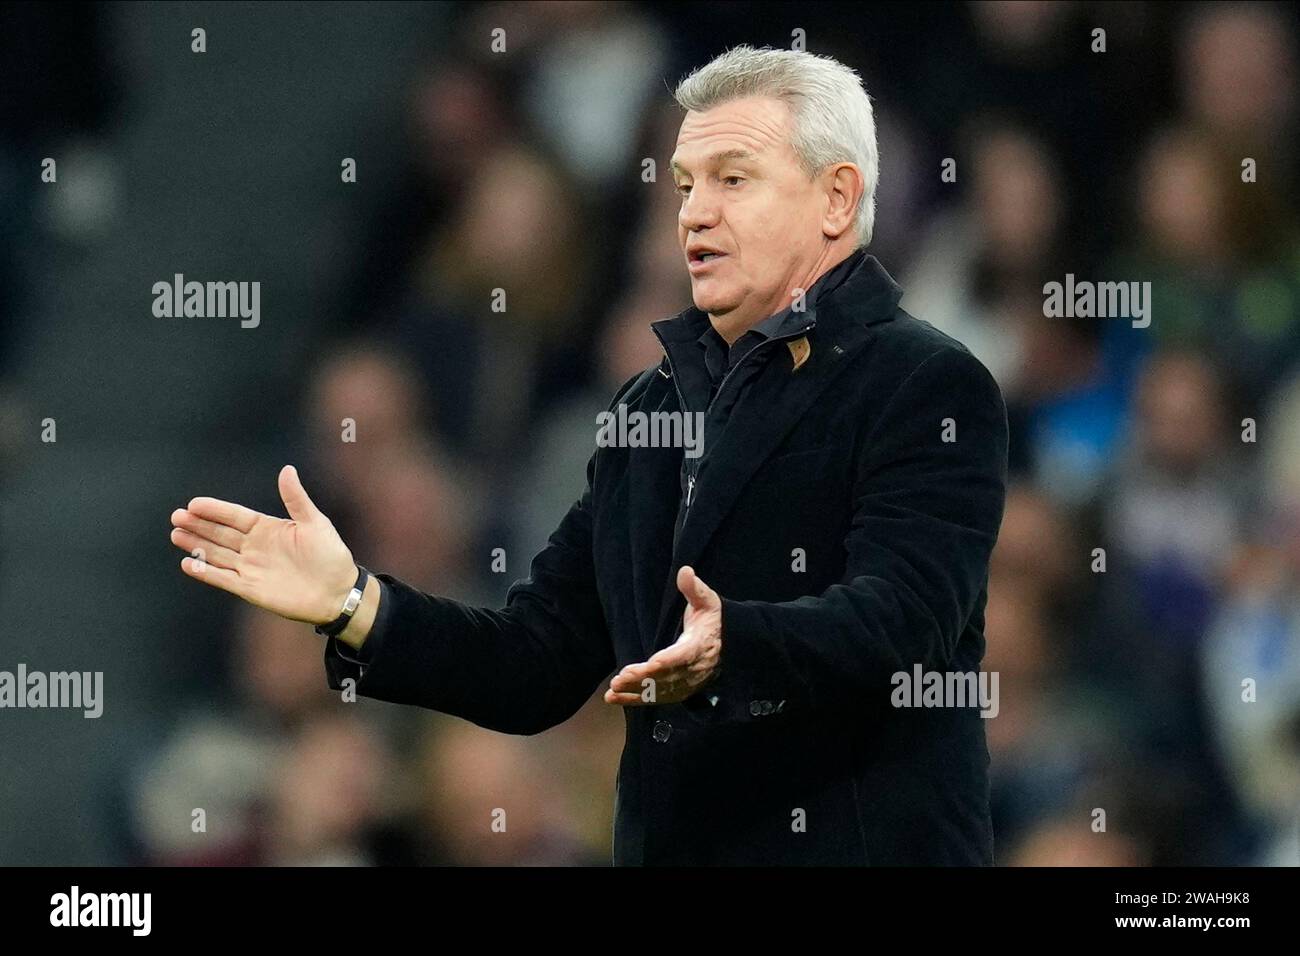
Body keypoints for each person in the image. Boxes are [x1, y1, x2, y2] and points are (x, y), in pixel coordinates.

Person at [169, 45, 1009, 865]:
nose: (693, 213)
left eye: (732, 180)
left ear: (837, 198)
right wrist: (354, 603)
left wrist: (736, 646)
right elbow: (537, 662)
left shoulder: (927, 384)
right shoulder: (650, 409)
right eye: (684, 185)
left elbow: (905, 622)